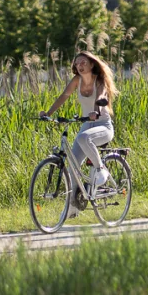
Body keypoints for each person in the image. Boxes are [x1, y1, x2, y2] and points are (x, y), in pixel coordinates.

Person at [40, 51, 119, 216]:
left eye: (83, 62)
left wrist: (96, 111)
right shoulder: (77, 80)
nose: (80, 66)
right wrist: (48, 113)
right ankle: (72, 207)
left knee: (84, 138)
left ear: (91, 64)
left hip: (103, 125)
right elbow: (64, 96)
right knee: (72, 167)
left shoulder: (100, 80)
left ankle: (101, 169)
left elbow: (102, 96)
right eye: (77, 63)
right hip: (86, 125)